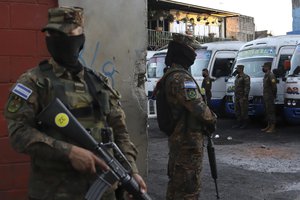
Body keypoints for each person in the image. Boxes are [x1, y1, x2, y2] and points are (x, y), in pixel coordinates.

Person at [3, 7, 146, 200]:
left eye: (69, 33)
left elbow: (120, 132)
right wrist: (69, 152)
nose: (62, 39)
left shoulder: (99, 82)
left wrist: (131, 171)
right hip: (54, 193)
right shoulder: (34, 82)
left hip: (104, 192)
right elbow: (18, 134)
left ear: (81, 38)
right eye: (55, 34)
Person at [163, 33, 217, 200]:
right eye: (193, 49)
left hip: (181, 142)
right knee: (187, 190)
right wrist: (213, 118)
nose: (194, 54)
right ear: (184, 51)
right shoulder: (180, 78)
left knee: (176, 188)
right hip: (186, 143)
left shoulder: (173, 74)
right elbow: (199, 108)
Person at [232, 65, 250, 129]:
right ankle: (239, 123)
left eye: (237, 69)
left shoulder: (245, 77)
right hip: (237, 96)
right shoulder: (237, 76)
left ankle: (245, 123)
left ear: (241, 69)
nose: (236, 70)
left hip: (242, 96)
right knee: (237, 110)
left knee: (244, 110)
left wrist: (245, 96)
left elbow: (247, 87)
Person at [261, 62, 277, 133]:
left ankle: (272, 126)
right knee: (267, 111)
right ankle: (268, 125)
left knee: (271, 111)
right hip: (266, 95)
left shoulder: (271, 75)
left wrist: (273, 95)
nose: (263, 68)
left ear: (267, 67)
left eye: (264, 67)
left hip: (270, 95)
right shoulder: (266, 75)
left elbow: (274, 86)